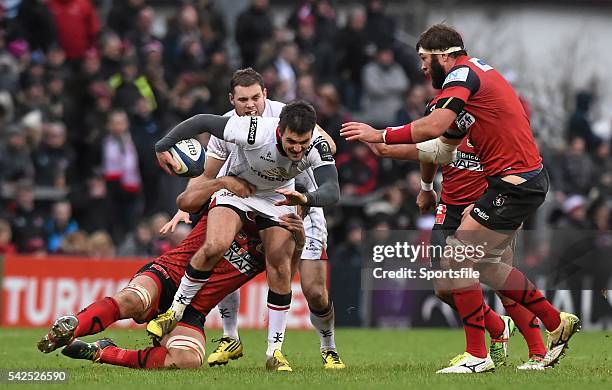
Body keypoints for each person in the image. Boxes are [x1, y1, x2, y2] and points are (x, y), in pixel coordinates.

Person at [340, 23, 580, 373]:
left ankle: (479, 355)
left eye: (424, 58)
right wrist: (386, 147)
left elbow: (433, 128)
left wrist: (380, 132)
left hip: (513, 184)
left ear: (444, 55)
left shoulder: (463, 75)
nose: (422, 67)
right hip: (516, 183)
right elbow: (441, 147)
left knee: (457, 261)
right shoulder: (467, 89)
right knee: (480, 267)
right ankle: (555, 321)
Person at [162, 68, 345, 369]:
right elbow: (208, 173)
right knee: (222, 250)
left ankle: (329, 347)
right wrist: (187, 203)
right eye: (243, 99)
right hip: (250, 197)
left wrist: (306, 177)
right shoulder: (231, 128)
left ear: (266, 96)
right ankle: (230, 335)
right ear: (232, 100)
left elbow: (328, 150)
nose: (250, 105)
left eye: (255, 98)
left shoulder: (289, 118)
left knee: (314, 291)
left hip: (301, 201)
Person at [365, 95, 548, 370]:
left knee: (501, 280)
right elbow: (425, 152)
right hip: (449, 209)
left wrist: (488, 204)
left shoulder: (492, 132)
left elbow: (515, 174)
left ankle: (538, 352)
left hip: (488, 208)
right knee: (444, 290)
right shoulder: (443, 127)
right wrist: (426, 187)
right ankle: (498, 326)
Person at [37, 208, 306, 371]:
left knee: (188, 360)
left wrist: (300, 240)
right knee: (134, 299)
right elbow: (194, 194)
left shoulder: (278, 243)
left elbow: (283, 278)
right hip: (167, 275)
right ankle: (71, 328)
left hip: (192, 310)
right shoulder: (231, 204)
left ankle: (102, 352)